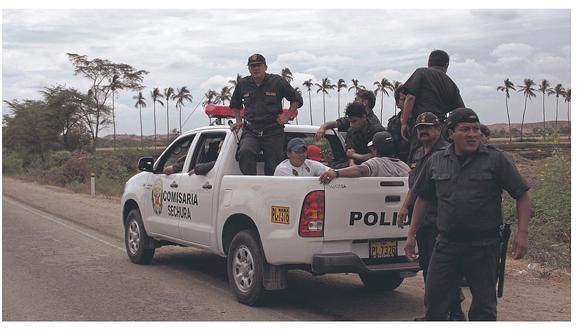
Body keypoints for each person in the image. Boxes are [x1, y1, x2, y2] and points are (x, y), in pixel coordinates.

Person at [404, 108, 531, 321]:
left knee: (483, 306)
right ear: (451, 133)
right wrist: (411, 234)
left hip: (484, 246)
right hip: (445, 244)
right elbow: (423, 198)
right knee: (435, 302)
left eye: (475, 128)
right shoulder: (436, 161)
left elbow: (522, 194)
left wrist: (523, 233)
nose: (472, 134)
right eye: (465, 129)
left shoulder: (496, 160)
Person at [397, 112, 465, 321]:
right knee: (428, 268)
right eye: (420, 127)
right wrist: (405, 206)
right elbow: (417, 185)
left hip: (442, 222)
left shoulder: (448, 153)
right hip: (423, 221)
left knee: (443, 270)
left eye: (428, 127)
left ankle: (452, 313)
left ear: (439, 129)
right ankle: (440, 314)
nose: (423, 131)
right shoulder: (418, 153)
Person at [229, 53, 303, 175]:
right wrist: (238, 121)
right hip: (251, 130)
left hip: (273, 131)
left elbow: (297, 99)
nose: (256, 68)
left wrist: (287, 116)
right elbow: (235, 104)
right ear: (249, 69)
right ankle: (251, 184)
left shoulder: (277, 82)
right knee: (245, 152)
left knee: (275, 166)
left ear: (265, 67)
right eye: (252, 66)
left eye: (259, 65)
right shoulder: (243, 84)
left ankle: (270, 189)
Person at [400, 49, 465, 153]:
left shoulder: (421, 72)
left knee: (419, 159)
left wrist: (404, 123)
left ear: (429, 62)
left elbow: (410, 97)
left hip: (422, 126)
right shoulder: (451, 84)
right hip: (440, 129)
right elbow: (461, 112)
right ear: (446, 65)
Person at [319, 131, 409, 184]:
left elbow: (360, 170)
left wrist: (336, 173)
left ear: (376, 150)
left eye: (372, 149)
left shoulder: (376, 163)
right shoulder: (404, 167)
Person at [315, 90, 383, 140]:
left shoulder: (375, 126)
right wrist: (323, 127)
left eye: (356, 100)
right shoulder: (353, 118)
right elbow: (336, 123)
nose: (351, 124)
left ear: (365, 102)